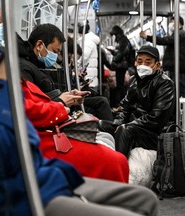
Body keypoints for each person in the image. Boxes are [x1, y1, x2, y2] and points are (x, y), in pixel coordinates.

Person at [0, 2, 159, 215]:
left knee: (143, 195)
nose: (1, 30)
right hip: (27, 181)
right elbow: (16, 143)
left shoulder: (3, 73)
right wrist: (58, 106)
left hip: (40, 165)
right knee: (115, 159)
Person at [17, 23, 128, 182]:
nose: (56, 56)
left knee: (106, 139)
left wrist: (65, 98)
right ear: (39, 44)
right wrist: (62, 102)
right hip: (50, 129)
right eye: (55, 51)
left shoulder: (31, 67)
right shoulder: (24, 69)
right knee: (114, 157)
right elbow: (34, 109)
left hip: (55, 122)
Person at [100, 45, 175, 158]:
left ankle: (119, 167)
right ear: (135, 63)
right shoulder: (133, 80)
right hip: (133, 126)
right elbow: (125, 106)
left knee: (125, 130)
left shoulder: (165, 84)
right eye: (140, 61)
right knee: (100, 125)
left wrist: (126, 125)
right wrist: (118, 122)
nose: (142, 65)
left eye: (148, 62)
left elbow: (156, 118)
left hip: (154, 133)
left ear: (157, 65)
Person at [140, 16, 185, 98]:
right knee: (176, 94)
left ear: (180, 25)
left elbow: (165, 40)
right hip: (177, 70)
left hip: (179, 71)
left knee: (179, 95)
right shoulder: (179, 35)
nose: (171, 24)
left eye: (173, 22)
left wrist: (148, 37)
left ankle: (181, 110)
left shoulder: (180, 33)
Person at [108, 25, 132, 108]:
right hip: (121, 65)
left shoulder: (123, 40)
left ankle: (123, 104)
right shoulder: (122, 40)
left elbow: (122, 53)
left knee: (120, 86)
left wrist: (115, 59)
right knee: (120, 85)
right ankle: (121, 103)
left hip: (121, 66)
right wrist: (113, 52)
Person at [77, 20, 100, 91]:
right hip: (89, 75)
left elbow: (84, 57)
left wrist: (76, 63)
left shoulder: (87, 42)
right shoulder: (89, 41)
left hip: (88, 76)